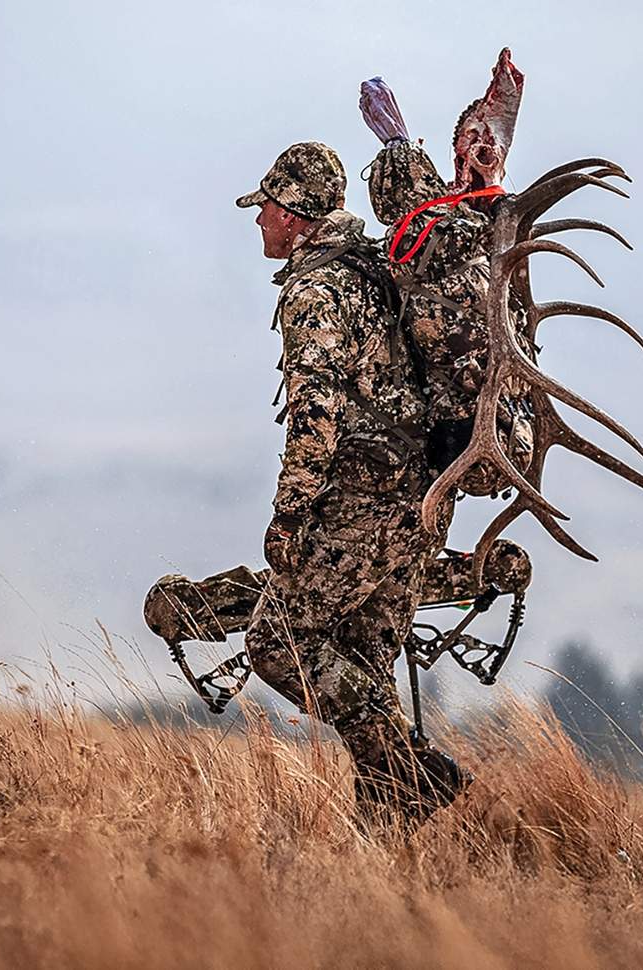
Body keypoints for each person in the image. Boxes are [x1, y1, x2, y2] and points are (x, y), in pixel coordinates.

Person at [233, 142, 468, 821]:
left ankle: (407, 774)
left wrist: (291, 514)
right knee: (364, 658)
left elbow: (316, 412)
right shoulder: (376, 266)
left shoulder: (316, 290)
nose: (258, 222)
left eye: (266, 209)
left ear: (294, 215)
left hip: (364, 503)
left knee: (277, 643)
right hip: (425, 500)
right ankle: (391, 834)